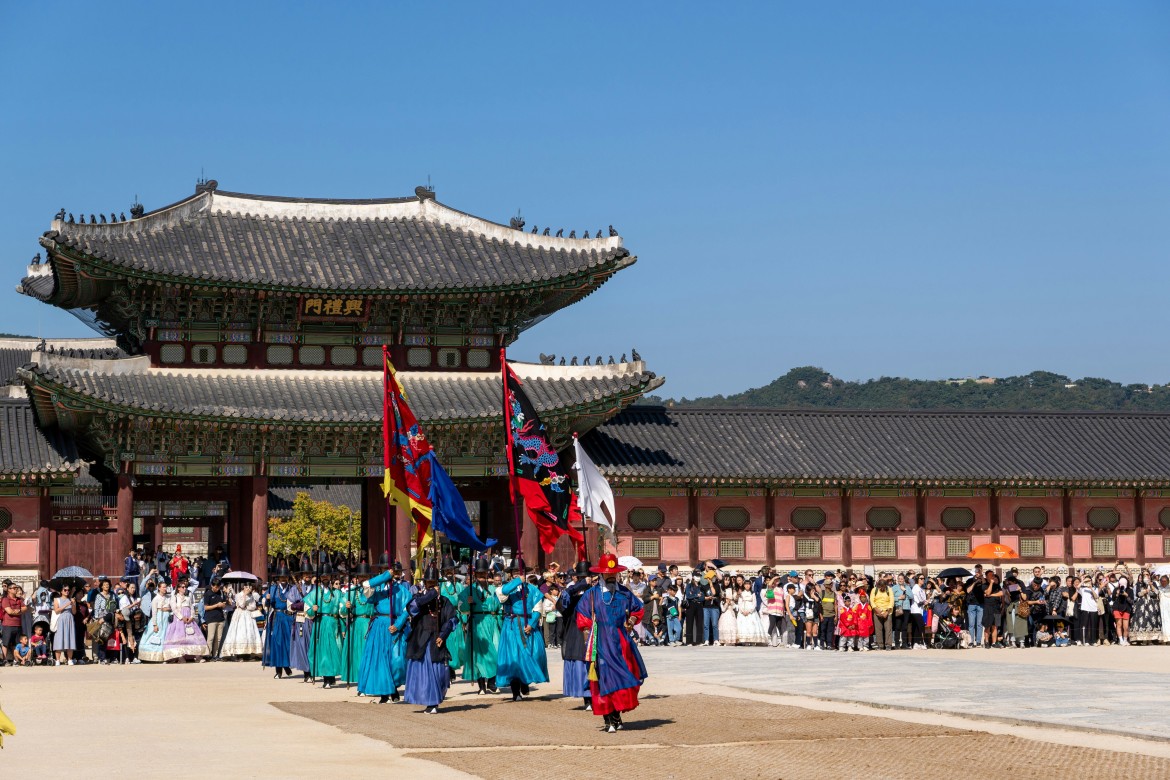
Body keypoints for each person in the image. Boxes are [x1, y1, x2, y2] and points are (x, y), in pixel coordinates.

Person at [576, 554, 648, 734]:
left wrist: (631, 621)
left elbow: (638, 609)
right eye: (607, 573)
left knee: (624, 677)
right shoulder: (591, 595)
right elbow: (583, 618)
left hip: (621, 641)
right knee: (604, 679)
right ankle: (608, 717)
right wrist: (588, 640)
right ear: (601, 574)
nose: (611, 576)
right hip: (600, 641)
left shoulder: (624, 592)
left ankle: (616, 713)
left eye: (613, 573)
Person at [404, 565, 457, 714]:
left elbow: (452, 619)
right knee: (423, 672)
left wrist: (443, 635)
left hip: (436, 639)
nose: (431, 585)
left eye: (434, 582)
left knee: (438, 672)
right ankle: (429, 702)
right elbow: (412, 608)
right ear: (425, 583)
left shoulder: (444, 601)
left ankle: (434, 702)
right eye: (428, 582)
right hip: (420, 639)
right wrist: (431, 594)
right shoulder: (418, 598)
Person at [359, 555, 412, 703]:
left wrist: (398, 624)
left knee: (396, 659)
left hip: (394, 625)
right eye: (385, 570)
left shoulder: (402, 590)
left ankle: (394, 688)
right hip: (378, 626)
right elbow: (366, 588)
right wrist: (384, 577)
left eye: (392, 571)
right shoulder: (376, 588)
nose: (390, 573)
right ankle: (383, 693)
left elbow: (407, 609)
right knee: (380, 659)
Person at [495, 560, 548, 701]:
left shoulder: (532, 589)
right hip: (511, 626)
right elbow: (503, 594)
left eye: (520, 572)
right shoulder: (504, 588)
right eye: (515, 572)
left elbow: (538, 608)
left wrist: (532, 624)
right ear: (511, 574)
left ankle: (525, 682)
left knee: (532, 654)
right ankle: (515, 692)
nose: (517, 574)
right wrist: (517, 581)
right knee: (513, 657)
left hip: (527, 625)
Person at [460, 557, 501, 695]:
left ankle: (492, 681)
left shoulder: (493, 589)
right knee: (477, 654)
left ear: (487, 574)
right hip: (476, 622)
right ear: (475, 575)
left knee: (495, 651)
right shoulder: (469, 590)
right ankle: (481, 685)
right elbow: (462, 609)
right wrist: (468, 603)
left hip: (491, 621)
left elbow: (499, 606)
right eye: (479, 574)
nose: (481, 576)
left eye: (484, 573)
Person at [559, 561, 594, 709]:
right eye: (580, 577)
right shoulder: (571, 592)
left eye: (587, 577)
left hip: (594, 629)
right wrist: (580, 586)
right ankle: (587, 698)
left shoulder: (597, 591)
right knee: (582, 662)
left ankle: (595, 696)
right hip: (576, 631)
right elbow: (561, 603)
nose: (584, 579)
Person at [304, 569, 344, 688]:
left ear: (330, 577)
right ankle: (326, 678)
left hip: (333, 624)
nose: (325, 578)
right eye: (323, 576)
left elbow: (342, 611)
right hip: (320, 623)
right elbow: (308, 612)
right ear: (320, 578)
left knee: (334, 650)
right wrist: (313, 610)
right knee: (324, 651)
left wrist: (343, 625)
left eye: (327, 576)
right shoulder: (315, 593)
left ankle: (331, 676)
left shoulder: (337, 593)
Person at [262, 566, 300, 677]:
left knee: (288, 643)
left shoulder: (292, 588)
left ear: (288, 578)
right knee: (277, 643)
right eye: (281, 577)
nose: (283, 579)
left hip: (289, 617)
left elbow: (298, 602)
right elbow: (267, 605)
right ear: (278, 578)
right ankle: (278, 670)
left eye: (285, 577)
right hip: (277, 617)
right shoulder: (273, 589)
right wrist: (268, 599)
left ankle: (287, 665)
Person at [341, 565, 374, 685]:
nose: (363, 578)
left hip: (369, 623)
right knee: (356, 653)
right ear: (357, 578)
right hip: (355, 624)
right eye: (361, 576)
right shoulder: (351, 593)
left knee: (368, 652)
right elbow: (342, 612)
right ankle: (358, 677)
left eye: (365, 576)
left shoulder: (373, 591)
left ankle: (369, 678)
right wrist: (346, 607)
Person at [162, 578, 209, 661]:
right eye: (182, 587)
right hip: (178, 620)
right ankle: (180, 657)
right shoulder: (174, 597)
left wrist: (192, 617)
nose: (184, 588)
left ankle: (198, 657)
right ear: (178, 588)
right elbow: (174, 608)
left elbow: (192, 608)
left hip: (189, 620)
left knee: (194, 637)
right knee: (179, 638)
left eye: (185, 587)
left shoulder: (188, 597)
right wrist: (181, 617)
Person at [221, 583, 264, 658]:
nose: (248, 588)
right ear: (243, 587)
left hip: (249, 615)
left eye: (250, 587)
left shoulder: (251, 596)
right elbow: (241, 605)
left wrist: (248, 606)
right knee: (240, 632)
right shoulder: (238, 595)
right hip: (240, 615)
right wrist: (244, 596)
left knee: (250, 633)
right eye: (247, 587)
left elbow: (253, 606)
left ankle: (249, 653)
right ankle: (239, 653)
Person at [138, 581, 172, 663]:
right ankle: (153, 656)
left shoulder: (168, 597)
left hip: (166, 618)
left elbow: (172, 607)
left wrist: (168, 609)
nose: (165, 589)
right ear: (159, 588)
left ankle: (165, 656)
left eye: (165, 587)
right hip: (159, 619)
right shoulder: (156, 599)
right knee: (157, 636)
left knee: (166, 636)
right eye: (163, 587)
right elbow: (154, 613)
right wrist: (155, 624)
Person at [202, 579, 229, 660]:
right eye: (215, 587)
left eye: (218, 587)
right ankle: (208, 655)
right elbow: (206, 607)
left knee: (218, 638)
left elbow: (224, 604)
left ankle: (215, 655)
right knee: (210, 638)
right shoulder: (208, 594)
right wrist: (216, 605)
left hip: (220, 618)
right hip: (211, 618)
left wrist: (223, 605)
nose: (217, 589)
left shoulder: (221, 593)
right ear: (212, 586)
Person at [1, 582, 26, 665]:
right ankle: (5, 660)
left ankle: (16, 660)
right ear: (9, 590)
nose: (16, 589)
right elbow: (9, 611)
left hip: (18, 625)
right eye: (14, 588)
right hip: (8, 625)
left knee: (16, 644)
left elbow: (25, 608)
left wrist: (18, 611)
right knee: (6, 643)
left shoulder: (19, 599)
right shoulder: (5, 599)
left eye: (16, 588)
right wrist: (19, 611)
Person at [735, 581, 767, 645]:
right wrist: (742, 611)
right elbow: (739, 602)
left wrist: (749, 611)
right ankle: (744, 640)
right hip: (743, 610)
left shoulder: (753, 593)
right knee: (743, 625)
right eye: (746, 584)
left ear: (750, 585)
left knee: (752, 625)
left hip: (751, 611)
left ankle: (752, 640)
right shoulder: (742, 593)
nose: (747, 586)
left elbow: (754, 603)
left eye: (748, 584)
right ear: (744, 585)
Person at [1131, 577, 1162, 643]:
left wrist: (1151, 586)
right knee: (1142, 621)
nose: (1146, 577)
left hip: (1151, 604)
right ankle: (1143, 639)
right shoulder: (1139, 585)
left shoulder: (1153, 583)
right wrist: (1144, 591)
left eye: (1147, 574)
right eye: (1144, 575)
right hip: (1141, 604)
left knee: (1152, 620)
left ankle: (1151, 639)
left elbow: (1157, 593)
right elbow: (1137, 594)